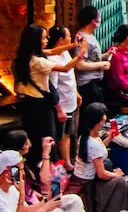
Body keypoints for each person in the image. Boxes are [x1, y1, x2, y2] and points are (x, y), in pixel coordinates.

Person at [13, 27, 85, 173]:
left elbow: (52, 51)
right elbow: (64, 68)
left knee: (36, 137)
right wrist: (80, 55)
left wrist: (72, 46)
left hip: (29, 102)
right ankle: (44, 171)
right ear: (35, 41)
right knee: (46, 139)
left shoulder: (25, 56)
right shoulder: (37, 61)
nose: (47, 41)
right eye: (44, 38)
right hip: (40, 106)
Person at [1, 133, 85, 212]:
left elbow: (25, 211)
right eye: (18, 170)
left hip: (37, 205)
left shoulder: (12, 189)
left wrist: (47, 200)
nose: (22, 173)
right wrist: (44, 208)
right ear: (6, 173)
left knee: (74, 200)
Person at [71, 103, 128, 212]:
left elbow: (97, 151)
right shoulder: (92, 143)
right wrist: (116, 174)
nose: (104, 123)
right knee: (120, 182)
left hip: (81, 176)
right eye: (102, 121)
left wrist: (110, 138)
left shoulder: (85, 137)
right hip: (88, 183)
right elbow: (102, 174)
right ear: (96, 122)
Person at [46, 29, 80, 173]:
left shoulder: (65, 53)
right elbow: (52, 86)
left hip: (70, 100)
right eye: (68, 36)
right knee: (61, 135)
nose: (71, 38)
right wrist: (58, 108)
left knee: (68, 133)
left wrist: (76, 92)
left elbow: (71, 75)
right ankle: (64, 162)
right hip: (62, 103)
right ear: (61, 39)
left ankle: (69, 159)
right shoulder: (51, 60)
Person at [74, 8, 113, 107]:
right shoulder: (83, 38)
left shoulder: (91, 36)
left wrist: (106, 55)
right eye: (99, 17)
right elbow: (80, 64)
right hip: (87, 82)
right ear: (93, 21)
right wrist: (102, 64)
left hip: (96, 80)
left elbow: (91, 58)